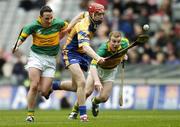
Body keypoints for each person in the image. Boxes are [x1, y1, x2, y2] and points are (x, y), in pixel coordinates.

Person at [12, 5, 78, 122]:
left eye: (51, 18)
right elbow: (23, 35)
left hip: (51, 59)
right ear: (40, 17)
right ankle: (30, 115)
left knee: (44, 91)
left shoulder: (58, 23)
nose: (49, 20)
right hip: (36, 57)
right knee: (34, 85)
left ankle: (48, 90)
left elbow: (69, 29)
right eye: (46, 18)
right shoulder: (33, 25)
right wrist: (17, 45)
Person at [50, 2, 106, 122]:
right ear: (93, 14)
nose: (101, 16)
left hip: (81, 54)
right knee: (82, 82)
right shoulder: (84, 26)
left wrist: (69, 27)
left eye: (102, 14)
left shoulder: (90, 16)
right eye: (98, 14)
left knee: (76, 86)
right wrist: (97, 57)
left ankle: (51, 85)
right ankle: (82, 115)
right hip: (70, 51)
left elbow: (82, 13)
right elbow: (86, 47)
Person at [68, 31, 129, 119]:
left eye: (118, 41)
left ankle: (95, 102)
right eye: (114, 41)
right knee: (87, 92)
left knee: (104, 98)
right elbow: (92, 66)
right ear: (109, 41)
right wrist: (96, 81)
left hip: (111, 71)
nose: (116, 44)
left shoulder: (125, 43)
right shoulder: (103, 49)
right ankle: (74, 111)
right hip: (97, 70)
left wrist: (124, 55)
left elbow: (124, 50)